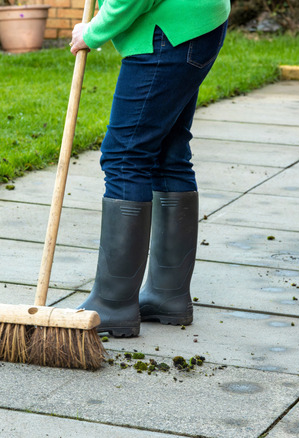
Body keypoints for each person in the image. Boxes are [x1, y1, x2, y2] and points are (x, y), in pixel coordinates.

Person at [71, 0, 231, 337]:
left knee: (125, 156)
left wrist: (94, 31)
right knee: (168, 155)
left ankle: (113, 304)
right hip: (195, 23)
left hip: (168, 34)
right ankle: (166, 295)